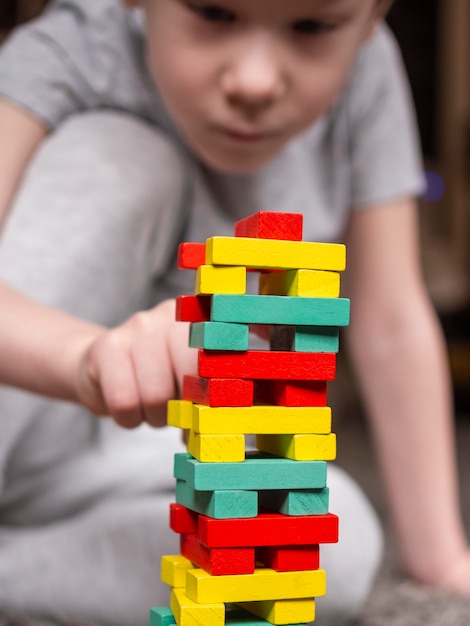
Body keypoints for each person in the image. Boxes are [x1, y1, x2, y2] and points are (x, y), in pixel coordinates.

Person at [0, 0, 468, 624]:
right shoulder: (75, 44)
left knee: (327, 538)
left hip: (138, 473)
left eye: (313, 27)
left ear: (373, 16)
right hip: (29, 415)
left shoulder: (369, 73)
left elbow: (390, 321)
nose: (254, 79)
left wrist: (442, 561)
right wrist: (84, 357)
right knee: (125, 158)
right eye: (213, 13)